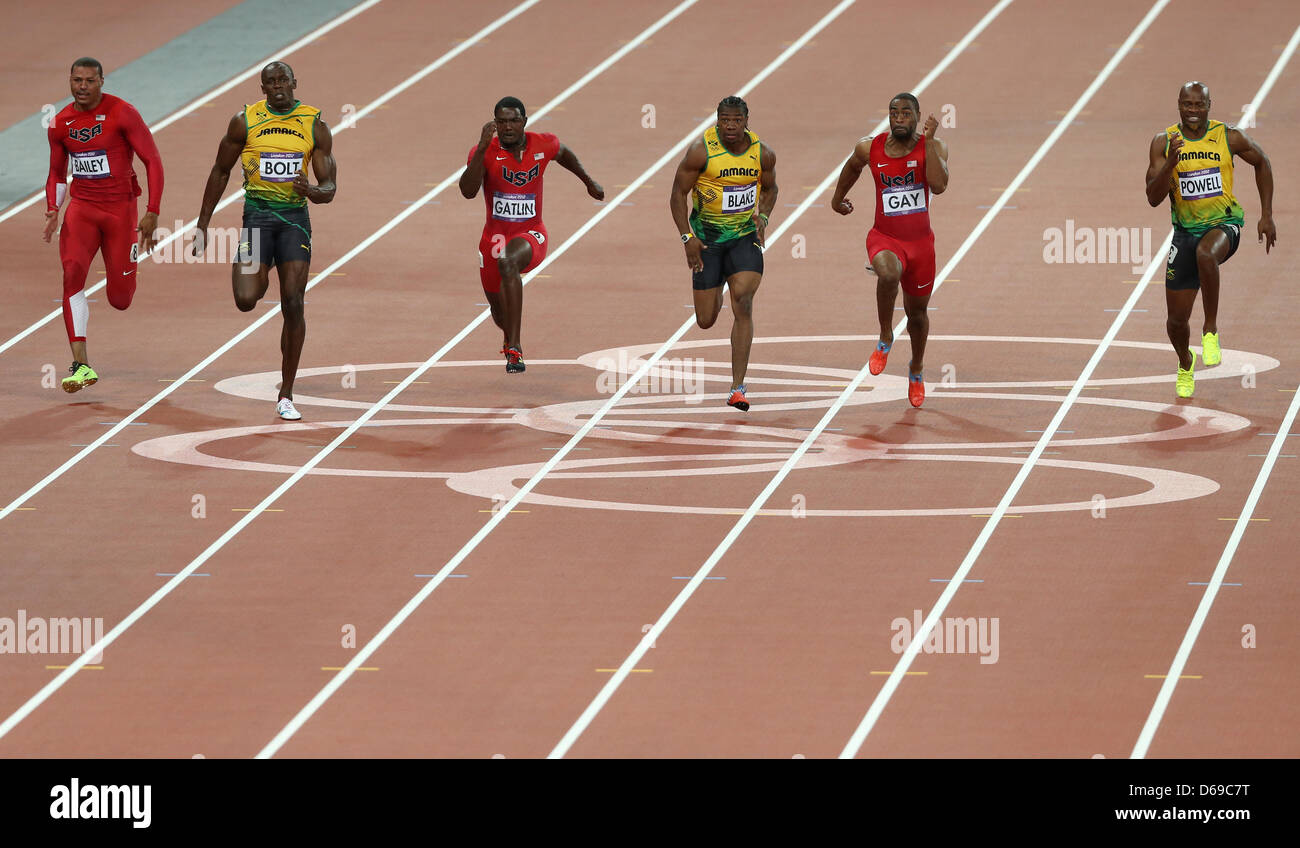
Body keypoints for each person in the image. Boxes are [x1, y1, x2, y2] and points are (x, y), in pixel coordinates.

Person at [194, 61, 336, 421]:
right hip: (257, 220)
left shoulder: (314, 124)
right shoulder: (244, 121)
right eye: (270, 82)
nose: (277, 87)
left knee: (293, 301)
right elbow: (220, 170)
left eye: (282, 81)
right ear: (262, 88)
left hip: (293, 222)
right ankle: (256, 267)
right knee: (245, 300)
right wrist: (203, 223)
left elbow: (330, 187)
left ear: (293, 82)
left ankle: (286, 394)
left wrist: (314, 191)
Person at [1145, 81, 1275, 398]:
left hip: (1224, 224)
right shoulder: (1164, 142)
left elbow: (1262, 162)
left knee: (1207, 254)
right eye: (1187, 105)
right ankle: (1185, 362)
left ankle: (1211, 330)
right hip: (1184, 233)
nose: (1192, 111)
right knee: (1175, 322)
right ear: (1179, 105)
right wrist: (1171, 165)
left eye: (1198, 105)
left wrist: (1266, 214)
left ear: (1208, 105)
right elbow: (1152, 197)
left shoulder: (1228, 136)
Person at [43, 57, 164, 393]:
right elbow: (56, 171)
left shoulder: (122, 113)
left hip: (120, 213)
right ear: (70, 80)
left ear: (101, 82)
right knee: (71, 274)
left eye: (89, 81)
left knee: (120, 298)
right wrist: (54, 207)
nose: (82, 87)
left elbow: (152, 160)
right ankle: (81, 364)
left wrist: (152, 210)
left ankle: (127, 269)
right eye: (77, 80)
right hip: (82, 209)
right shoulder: (59, 122)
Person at [459, 96, 604, 373]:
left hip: (531, 234)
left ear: (524, 121)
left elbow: (563, 154)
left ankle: (515, 348)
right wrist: (480, 149)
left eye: (514, 120)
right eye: (501, 121)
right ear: (495, 123)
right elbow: (467, 191)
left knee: (508, 262)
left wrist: (588, 181)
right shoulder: (484, 151)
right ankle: (508, 334)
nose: (508, 127)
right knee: (499, 313)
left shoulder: (543, 142)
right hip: (493, 239)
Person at [831, 92, 948, 409]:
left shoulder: (933, 148)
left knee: (918, 316)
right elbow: (852, 167)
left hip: (921, 246)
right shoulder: (871, 147)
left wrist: (930, 141)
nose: (898, 118)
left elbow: (939, 186)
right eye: (893, 113)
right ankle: (885, 337)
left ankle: (916, 368)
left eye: (905, 113)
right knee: (888, 271)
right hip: (885, 237)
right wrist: (837, 198)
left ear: (917, 116)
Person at [669, 95, 778, 411]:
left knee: (743, 300)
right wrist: (687, 237)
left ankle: (737, 388)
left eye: (736, 121)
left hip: (744, 237)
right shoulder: (701, 151)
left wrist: (765, 216)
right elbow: (677, 194)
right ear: (717, 121)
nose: (730, 127)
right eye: (724, 121)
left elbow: (771, 188)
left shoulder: (762, 154)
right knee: (705, 319)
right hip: (707, 242)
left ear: (747, 121)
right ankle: (716, 288)